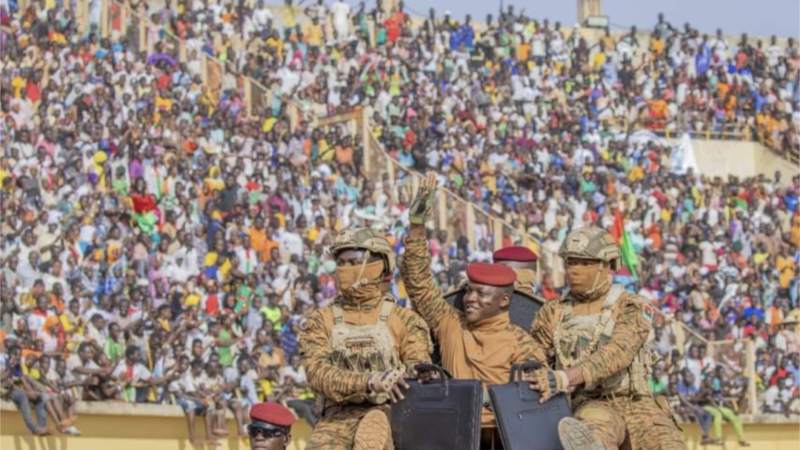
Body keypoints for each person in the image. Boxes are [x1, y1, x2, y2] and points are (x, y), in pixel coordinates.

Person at [401, 173, 546, 426]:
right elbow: (419, 284)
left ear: (503, 301)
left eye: (481, 294)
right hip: (452, 435)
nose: (470, 299)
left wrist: (483, 399)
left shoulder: (521, 343)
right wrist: (417, 224)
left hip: (501, 436)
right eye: (469, 291)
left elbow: (536, 392)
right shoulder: (451, 324)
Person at [528, 227, 686, 450]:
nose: (574, 270)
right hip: (589, 402)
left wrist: (564, 377)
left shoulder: (632, 305)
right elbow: (534, 357)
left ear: (605, 265)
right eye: (570, 263)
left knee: (667, 443)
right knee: (593, 438)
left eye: (583, 263)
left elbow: (619, 351)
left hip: (637, 403)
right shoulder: (553, 312)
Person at [299, 228, 432, 450]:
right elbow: (317, 374)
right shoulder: (321, 320)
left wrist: (415, 372)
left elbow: (418, 366)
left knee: (373, 432)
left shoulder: (405, 320)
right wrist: (371, 381)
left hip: (391, 413)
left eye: (353, 262)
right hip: (336, 417)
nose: (344, 269)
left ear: (378, 265)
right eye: (340, 263)